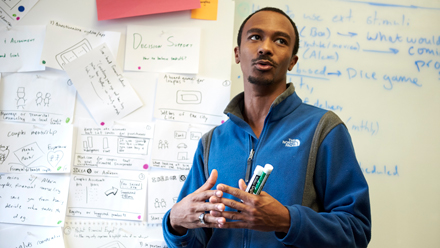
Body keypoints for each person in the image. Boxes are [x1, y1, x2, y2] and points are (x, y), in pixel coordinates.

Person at [162, 7, 371, 248]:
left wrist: (286, 220)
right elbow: (195, 238)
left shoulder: (324, 129)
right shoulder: (212, 142)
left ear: (292, 61)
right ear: (237, 53)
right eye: (255, 37)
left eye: (280, 41)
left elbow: (356, 232)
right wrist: (174, 223)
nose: (265, 48)